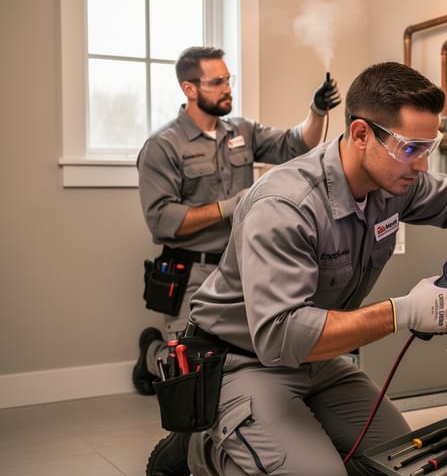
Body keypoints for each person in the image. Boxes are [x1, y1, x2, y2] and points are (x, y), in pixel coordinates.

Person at [146, 61, 447, 476]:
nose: (422, 164)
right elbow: (281, 335)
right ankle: (199, 451)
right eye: (410, 149)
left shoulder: (390, 181)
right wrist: (402, 311)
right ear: (360, 134)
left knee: (397, 463)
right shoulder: (285, 206)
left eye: (427, 148)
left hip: (318, 360)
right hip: (244, 361)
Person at [133, 46, 342, 399]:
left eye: (228, 80)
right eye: (217, 82)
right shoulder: (163, 146)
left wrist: (316, 111)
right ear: (190, 89)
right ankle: (153, 355)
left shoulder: (240, 130)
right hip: (194, 272)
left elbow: (295, 145)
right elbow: (162, 220)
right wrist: (229, 207)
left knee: (244, 356)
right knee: (189, 370)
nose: (227, 88)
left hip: (245, 266)